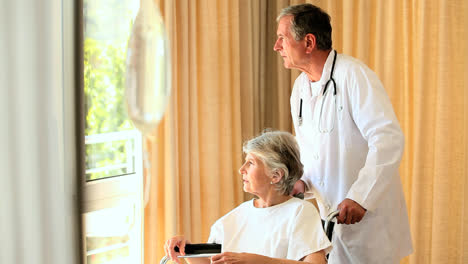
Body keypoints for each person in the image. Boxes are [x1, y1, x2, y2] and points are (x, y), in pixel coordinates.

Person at [273, 4, 413, 264]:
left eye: (282, 37)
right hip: (331, 223)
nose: (276, 46)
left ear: (309, 42)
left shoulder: (354, 76)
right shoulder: (300, 89)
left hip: (370, 223)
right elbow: (313, 151)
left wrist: (360, 197)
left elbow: (388, 140)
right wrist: (303, 182)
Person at [164, 131, 331, 264]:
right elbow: (211, 262)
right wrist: (186, 249)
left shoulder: (300, 212)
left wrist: (260, 262)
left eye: (250, 163)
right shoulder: (233, 219)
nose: (241, 169)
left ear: (276, 175)